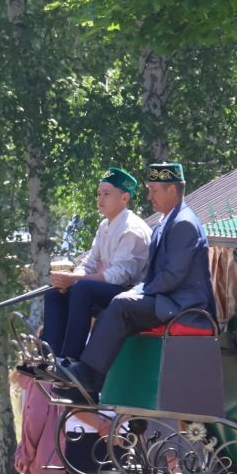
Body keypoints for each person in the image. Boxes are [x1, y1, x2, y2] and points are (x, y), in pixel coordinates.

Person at [51, 162, 214, 404]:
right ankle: (73, 372)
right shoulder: (167, 221)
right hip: (165, 298)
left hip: (183, 306)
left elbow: (172, 276)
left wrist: (138, 292)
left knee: (121, 304)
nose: (149, 196)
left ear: (172, 190)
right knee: (106, 302)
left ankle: (88, 376)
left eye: (154, 190)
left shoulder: (184, 223)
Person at [41, 168, 152, 361]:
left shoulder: (132, 229)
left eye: (107, 194)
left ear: (125, 197)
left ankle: (71, 359)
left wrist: (76, 279)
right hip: (111, 290)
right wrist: (70, 279)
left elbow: (119, 276)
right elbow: (90, 262)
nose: (100, 199)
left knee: (82, 289)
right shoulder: (104, 226)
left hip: (133, 295)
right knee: (55, 293)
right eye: (99, 194)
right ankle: (51, 358)